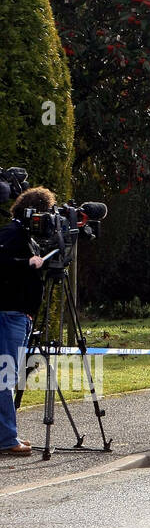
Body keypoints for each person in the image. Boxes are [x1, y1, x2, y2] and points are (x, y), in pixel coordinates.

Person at [0, 186, 54, 457]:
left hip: (18, 316)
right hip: (9, 316)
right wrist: (27, 263)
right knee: (4, 378)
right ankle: (7, 438)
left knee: (6, 377)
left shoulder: (23, 235)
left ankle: (7, 434)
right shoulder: (13, 234)